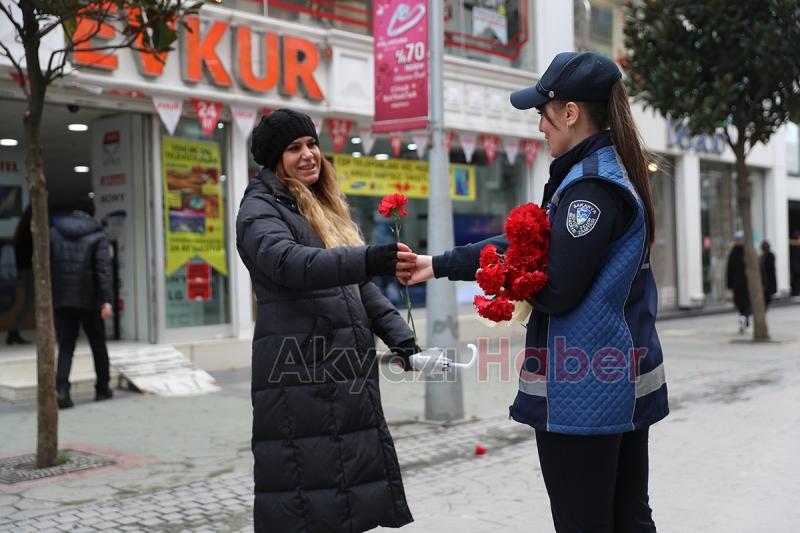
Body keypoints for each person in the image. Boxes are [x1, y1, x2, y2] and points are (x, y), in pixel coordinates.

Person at [403, 52, 668, 532]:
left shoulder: (590, 189)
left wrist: (520, 284)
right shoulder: (596, 173)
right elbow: (538, 245)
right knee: (628, 517)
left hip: (588, 388)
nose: (539, 127)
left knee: (585, 523)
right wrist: (439, 264)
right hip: (612, 382)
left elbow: (557, 288)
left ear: (570, 113)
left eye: (543, 114)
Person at [236, 109, 419, 532]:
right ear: (272, 159)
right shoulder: (259, 211)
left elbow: (358, 288)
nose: (308, 155)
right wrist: (369, 257)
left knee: (346, 495)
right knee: (311, 499)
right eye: (294, 148)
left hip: (340, 378)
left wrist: (402, 341)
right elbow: (292, 264)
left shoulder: (317, 204)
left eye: (312, 144)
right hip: (299, 377)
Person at [51, 196, 114, 409]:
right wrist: (106, 299)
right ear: (91, 212)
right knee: (98, 344)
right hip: (91, 301)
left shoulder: (54, 233)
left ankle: (62, 390)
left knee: (66, 346)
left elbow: (46, 265)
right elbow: (103, 269)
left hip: (62, 299)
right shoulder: (97, 235)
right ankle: (102, 388)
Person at [6, 205, 33, 344]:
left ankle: (14, 331)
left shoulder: (21, 231)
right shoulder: (28, 232)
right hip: (28, 270)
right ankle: (14, 331)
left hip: (23, 270)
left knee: (25, 302)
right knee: (26, 302)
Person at [726, 230, 750, 333]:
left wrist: (729, 284)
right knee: (748, 302)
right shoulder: (748, 252)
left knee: (739, 302)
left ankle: (742, 317)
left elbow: (729, 270)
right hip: (747, 282)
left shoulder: (732, 253)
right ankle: (745, 317)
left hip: (736, 283)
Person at [760, 240, 777, 306]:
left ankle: (768, 300)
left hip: (768, 276)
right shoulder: (764, 256)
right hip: (767, 276)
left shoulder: (768, 256)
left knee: (768, 289)